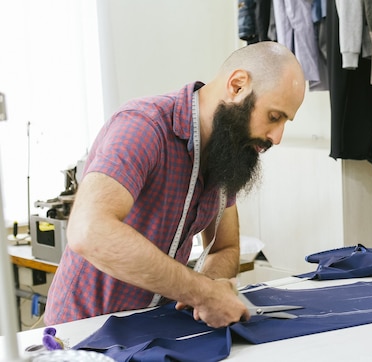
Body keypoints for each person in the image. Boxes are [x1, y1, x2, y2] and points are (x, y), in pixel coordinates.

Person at [44, 41, 306, 327]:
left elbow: (224, 246)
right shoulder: (143, 126)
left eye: (285, 122)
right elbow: (89, 231)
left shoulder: (226, 149)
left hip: (156, 328)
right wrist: (202, 292)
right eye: (274, 117)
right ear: (238, 85)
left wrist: (214, 291)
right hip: (84, 333)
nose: (277, 137)